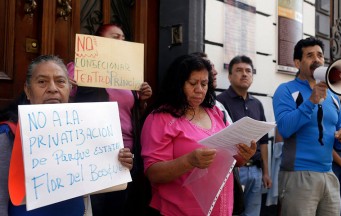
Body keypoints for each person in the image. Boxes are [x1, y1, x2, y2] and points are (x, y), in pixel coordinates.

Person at [0, 55, 133, 215]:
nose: (52, 88)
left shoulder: (85, 130)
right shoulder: (8, 135)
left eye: (60, 81)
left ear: (70, 89)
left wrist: (118, 163)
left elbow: (92, 182)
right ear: (28, 91)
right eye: (42, 82)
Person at [141, 54, 257, 215]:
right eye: (193, 83)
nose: (199, 90)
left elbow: (229, 159)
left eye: (204, 84)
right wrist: (189, 160)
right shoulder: (161, 118)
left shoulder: (215, 111)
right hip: (180, 210)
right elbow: (153, 172)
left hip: (223, 208)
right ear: (177, 83)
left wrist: (243, 156)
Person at [68, 23, 152, 216]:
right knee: (94, 207)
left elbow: (129, 112)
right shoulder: (80, 66)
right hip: (95, 151)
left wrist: (142, 100)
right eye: (115, 37)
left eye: (123, 38)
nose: (121, 41)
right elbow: (65, 98)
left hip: (125, 154)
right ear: (98, 42)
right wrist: (67, 82)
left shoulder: (127, 75)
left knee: (119, 206)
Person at [272, 37, 341, 215]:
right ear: (297, 62)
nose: (317, 59)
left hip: (329, 174)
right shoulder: (285, 90)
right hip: (298, 175)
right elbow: (284, 128)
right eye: (310, 55)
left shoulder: (333, 96)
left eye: (320, 55)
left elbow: (338, 138)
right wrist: (311, 101)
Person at [217, 55, 272, 216]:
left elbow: (263, 141)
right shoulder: (219, 102)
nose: (244, 74)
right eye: (239, 70)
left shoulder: (257, 104)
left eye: (248, 71)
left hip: (255, 170)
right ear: (229, 76)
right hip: (233, 170)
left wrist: (266, 172)